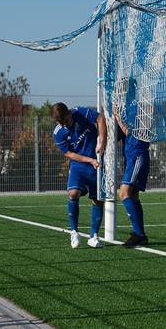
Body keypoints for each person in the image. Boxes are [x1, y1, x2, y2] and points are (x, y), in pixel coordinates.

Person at [52, 102, 108, 249]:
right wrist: (89, 160)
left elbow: (100, 118)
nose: (66, 125)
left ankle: (94, 236)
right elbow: (69, 154)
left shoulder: (80, 112)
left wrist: (101, 141)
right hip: (79, 165)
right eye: (63, 123)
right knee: (73, 193)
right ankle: (74, 232)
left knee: (98, 199)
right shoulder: (58, 133)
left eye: (67, 121)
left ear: (69, 114)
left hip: (97, 162)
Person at [113, 101, 151, 248]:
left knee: (124, 192)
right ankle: (140, 235)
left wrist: (116, 114)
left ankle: (139, 234)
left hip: (137, 155)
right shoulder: (127, 108)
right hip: (131, 157)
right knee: (133, 195)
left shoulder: (136, 107)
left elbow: (127, 130)